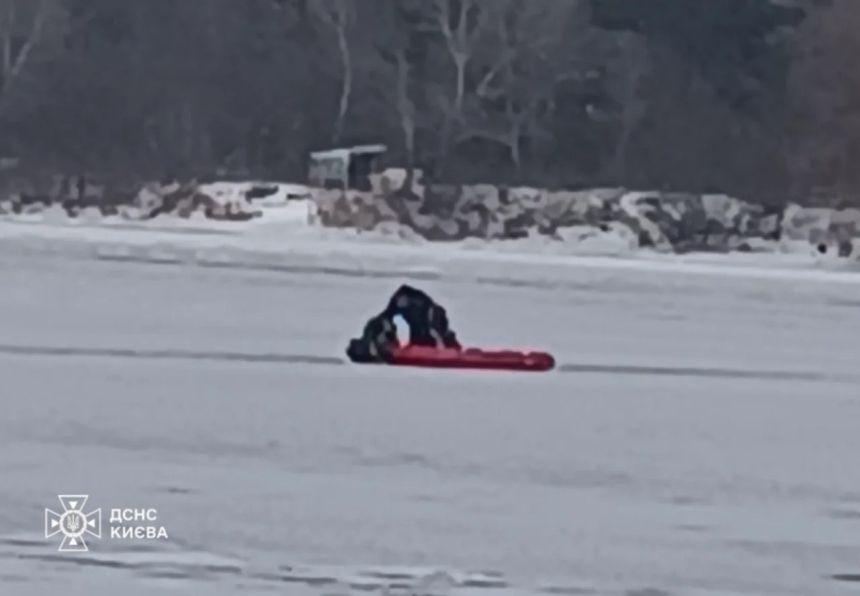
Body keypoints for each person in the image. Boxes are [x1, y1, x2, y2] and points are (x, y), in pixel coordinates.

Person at [346, 284, 461, 363]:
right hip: (417, 315)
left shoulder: (425, 312)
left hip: (420, 315)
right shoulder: (381, 323)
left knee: (427, 336)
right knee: (426, 337)